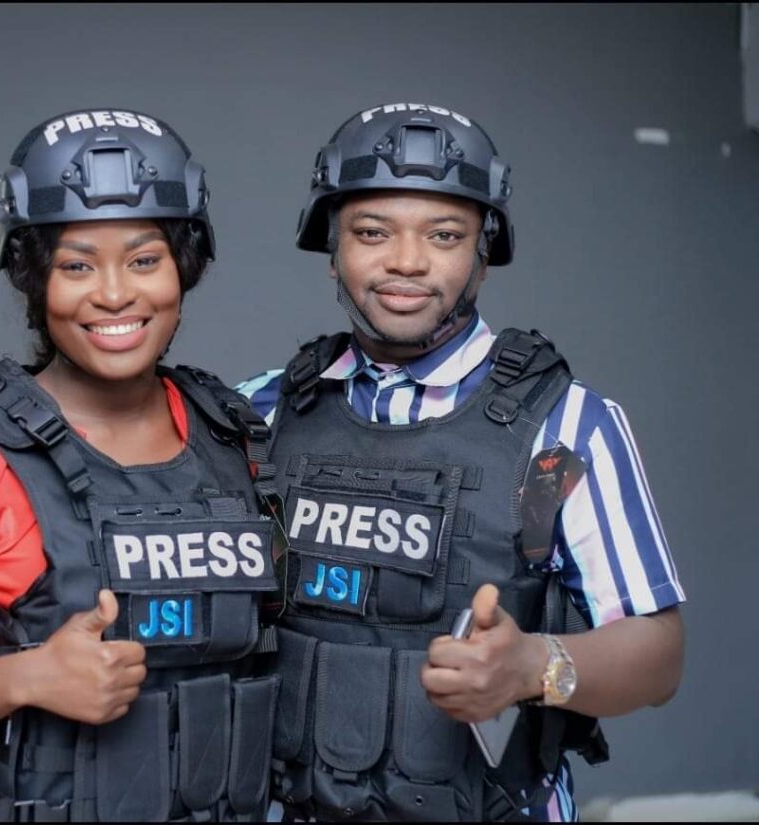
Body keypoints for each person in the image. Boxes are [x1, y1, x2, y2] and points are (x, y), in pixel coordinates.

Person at [237, 102, 685, 822]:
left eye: (444, 235)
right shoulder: (260, 414)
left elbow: (659, 655)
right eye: (371, 232)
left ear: (484, 251)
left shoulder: (563, 431)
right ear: (332, 249)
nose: (407, 261)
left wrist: (532, 665)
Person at [0, 108, 282, 822]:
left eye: (144, 259)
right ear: (35, 278)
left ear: (184, 267)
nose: (113, 293)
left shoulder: (237, 436)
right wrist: (28, 675)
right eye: (77, 265)